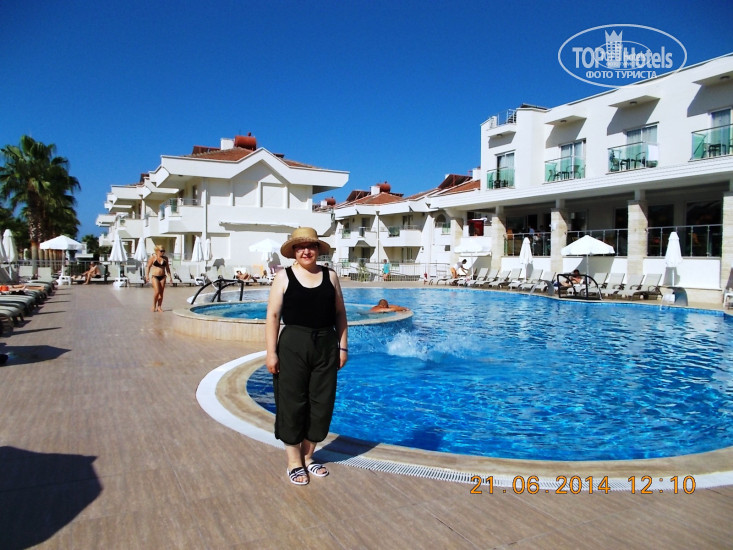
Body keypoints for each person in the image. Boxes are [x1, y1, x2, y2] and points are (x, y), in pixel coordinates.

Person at [266, 227, 348, 486]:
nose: (306, 251)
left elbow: (340, 313)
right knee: (292, 402)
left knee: (321, 402)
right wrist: (271, 352)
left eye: (310, 246)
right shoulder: (283, 276)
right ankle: (294, 462)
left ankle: (308, 456)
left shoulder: (330, 276)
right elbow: (273, 316)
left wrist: (342, 347)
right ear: (293, 251)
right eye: (300, 247)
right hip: (293, 344)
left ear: (317, 250)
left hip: (325, 344)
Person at [146, 245, 172, 312]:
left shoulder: (165, 258)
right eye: (161, 251)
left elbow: (167, 268)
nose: (163, 252)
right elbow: (148, 267)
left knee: (161, 293)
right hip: (155, 276)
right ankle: (154, 305)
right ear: (157, 251)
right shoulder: (153, 258)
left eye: (164, 251)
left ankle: (159, 307)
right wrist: (147, 276)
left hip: (163, 277)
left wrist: (170, 277)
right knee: (157, 291)